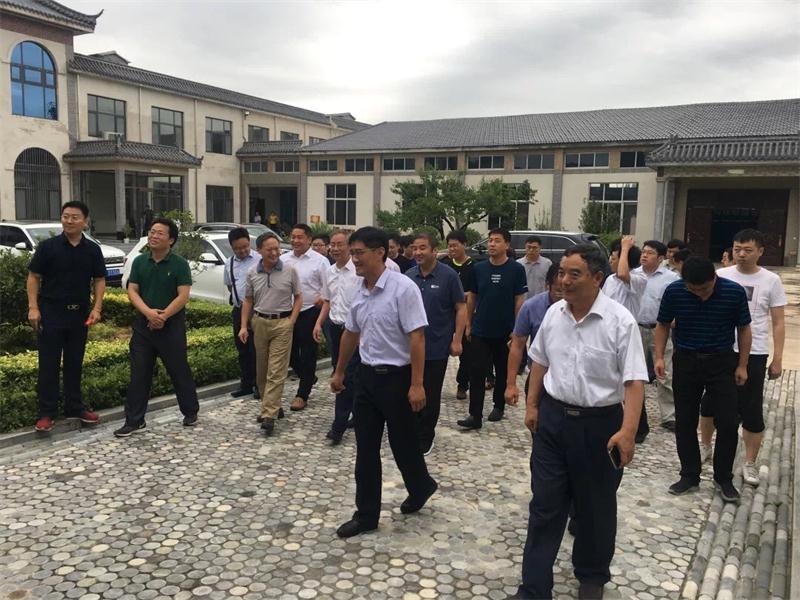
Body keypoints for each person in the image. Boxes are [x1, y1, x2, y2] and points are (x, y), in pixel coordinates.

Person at [512, 244, 647, 600]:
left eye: (575, 274)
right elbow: (539, 362)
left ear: (597, 278)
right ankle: (533, 588)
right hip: (553, 423)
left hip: (600, 427)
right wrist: (532, 405)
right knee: (545, 505)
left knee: (595, 507)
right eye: (561, 273)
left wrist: (628, 432)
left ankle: (591, 576)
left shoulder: (620, 321)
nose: (564, 281)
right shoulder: (553, 314)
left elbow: (634, 381)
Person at [330, 227, 437, 538]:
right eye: (352, 253)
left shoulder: (403, 289)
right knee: (365, 449)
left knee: (404, 445)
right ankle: (366, 515)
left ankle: (421, 486)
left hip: (398, 380)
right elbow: (351, 333)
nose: (354, 259)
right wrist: (339, 372)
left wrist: (417, 385)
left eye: (359, 253)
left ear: (380, 253)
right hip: (366, 378)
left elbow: (417, 337)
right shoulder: (359, 289)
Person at [655, 256, 751, 503]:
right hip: (686, 361)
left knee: (728, 421)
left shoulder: (734, 293)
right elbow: (663, 324)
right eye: (693, 289)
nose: (699, 293)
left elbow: (744, 328)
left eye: (704, 288)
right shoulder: (674, 291)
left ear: (714, 277)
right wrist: (659, 357)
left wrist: (742, 365)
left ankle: (723, 478)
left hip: (721, 362)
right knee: (685, 420)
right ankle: (689, 475)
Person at [699, 229, 786, 486]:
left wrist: (778, 358)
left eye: (748, 250)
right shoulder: (721, 275)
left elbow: (778, 322)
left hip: (755, 351)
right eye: (737, 249)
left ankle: (749, 462)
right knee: (709, 402)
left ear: (760, 251)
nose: (741, 254)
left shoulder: (771, 280)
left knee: (751, 407)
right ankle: (705, 446)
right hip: (722, 349)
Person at [114, 218, 199, 437]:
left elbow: (183, 295)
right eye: (152, 232)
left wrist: (163, 316)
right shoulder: (140, 261)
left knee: (179, 370)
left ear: (171, 240)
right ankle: (134, 420)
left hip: (171, 326)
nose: (153, 236)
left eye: (160, 233)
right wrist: (149, 313)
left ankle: (190, 411)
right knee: (139, 374)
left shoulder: (179, 264)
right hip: (144, 326)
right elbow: (132, 290)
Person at [28, 201, 105, 432]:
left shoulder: (92, 250)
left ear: (85, 221)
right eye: (65, 216)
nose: (69, 221)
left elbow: (99, 280)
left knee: (74, 363)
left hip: (79, 315)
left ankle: (74, 407)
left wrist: (97, 308)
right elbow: (33, 277)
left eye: (74, 217)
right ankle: (46, 413)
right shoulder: (48, 247)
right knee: (48, 364)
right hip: (51, 313)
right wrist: (33, 308)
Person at [457, 228, 527, 429]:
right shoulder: (479, 268)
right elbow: (472, 297)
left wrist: (517, 329)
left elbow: (519, 300)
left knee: (502, 370)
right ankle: (475, 415)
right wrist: (469, 323)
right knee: (476, 371)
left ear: (507, 245)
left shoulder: (516, 269)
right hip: (481, 329)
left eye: (497, 240)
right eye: (490, 240)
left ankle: (498, 406)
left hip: (505, 330)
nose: (492, 244)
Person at [407, 232, 466, 455]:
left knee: (430, 394)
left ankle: (425, 436)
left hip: (436, 346)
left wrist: (457, 339)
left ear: (434, 251)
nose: (418, 252)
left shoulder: (449, 276)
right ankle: (411, 431)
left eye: (422, 248)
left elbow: (461, 308)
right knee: (410, 390)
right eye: (415, 248)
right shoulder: (408, 276)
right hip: (410, 347)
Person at [238, 233, 303, 436]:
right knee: (262, 369)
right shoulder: (252, 272)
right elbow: (248, 300)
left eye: (277, 248)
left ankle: (268, 415)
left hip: (282, 323)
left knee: (276, 369)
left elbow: (299, 297)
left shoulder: (290, 270)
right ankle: (274, 405)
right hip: (260, 322)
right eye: (270, 249)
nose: (275, 253)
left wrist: (291, 321)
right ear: (259, 251)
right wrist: (243, 326)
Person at [313, 230, 363, 444]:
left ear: (349, 247)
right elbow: (327, 300)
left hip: (355, 332)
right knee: (341, 371)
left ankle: (338, 426)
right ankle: (355, 414)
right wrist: (319, 323)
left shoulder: (359, 271)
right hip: (335, 327)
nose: (334, 248)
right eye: (332, 244)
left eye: (339, 244)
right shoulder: (329, 271)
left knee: (345, 375)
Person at [602, 236, 649, 443]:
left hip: (627, 335)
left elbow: (623, 273)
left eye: (614, 258)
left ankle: (640, 426)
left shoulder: (639, 278)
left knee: (631, 379)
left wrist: (625, 247)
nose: (611, 261)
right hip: (607, 333)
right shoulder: (609, 280)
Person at [281, 223, 330, 411]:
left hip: (310, 311)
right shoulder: (284, 259)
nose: (295, 240)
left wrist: (322, 298)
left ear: (309, 239)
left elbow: (328, 286)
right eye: (293, 237)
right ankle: (308, 376)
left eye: (299, 237)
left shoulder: (320, 261)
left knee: (308, 353)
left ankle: (302, 395)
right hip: (288, 311)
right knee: (289, 353)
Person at [633, 240, 679, 430]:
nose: (644, 255)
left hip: (660, 329)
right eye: (643, 252)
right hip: (635, 328)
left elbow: (677, 302)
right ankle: (635, 413)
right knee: (634, 372)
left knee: (665, 372)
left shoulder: (671, 278)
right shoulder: (633, 275)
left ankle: (669, 415)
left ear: (661, 258)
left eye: (650, 253)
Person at [504, 262, 562, 405]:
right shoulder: (531, 307)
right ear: (547, 285)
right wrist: (511, 384)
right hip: (540, 374)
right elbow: (517, 345)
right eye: (558, 290)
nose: (563, 294)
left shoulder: (581, 308)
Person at [440, 229, 476, 401]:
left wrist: (460, 295)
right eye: (450, 246)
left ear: (464, 245)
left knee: (466, 353)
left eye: (455, 245)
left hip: (466, 314)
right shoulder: (446, 264)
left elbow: (474, 293)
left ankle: (462, 384)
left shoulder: (473, 266)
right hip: (447, 314)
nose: (452, 249)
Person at [224, 227, 259, 399]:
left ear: (249, 242)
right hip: (239, 310)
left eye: (245, 246)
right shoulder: (229, 263)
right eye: (238, 248)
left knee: (257, 350)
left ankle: (259, 385)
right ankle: (245, 385)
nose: (242, 251)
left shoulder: (260, 259)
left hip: (258, 311)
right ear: (232, 247)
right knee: (243, 350)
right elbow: (230, 285)